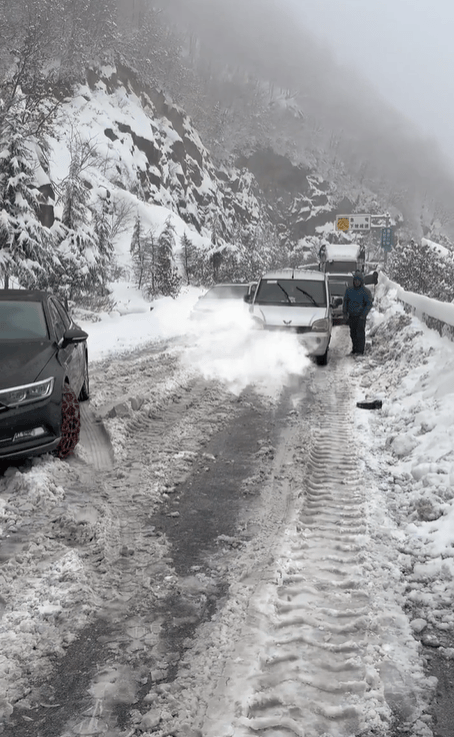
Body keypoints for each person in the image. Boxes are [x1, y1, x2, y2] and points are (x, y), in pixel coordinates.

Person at [343, 271, 373, 355]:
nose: (356, 282)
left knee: (360, 333)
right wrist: (345, 312)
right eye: (355, 280)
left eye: (358, 281)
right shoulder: (349, 290)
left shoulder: (365, 292)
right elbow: (345, 301)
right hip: (352, 316)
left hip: (360, 316)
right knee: (353, 333)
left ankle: (360, 351)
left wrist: (364, 314)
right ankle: (355, 349)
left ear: (361, 282)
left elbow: (369, 303)